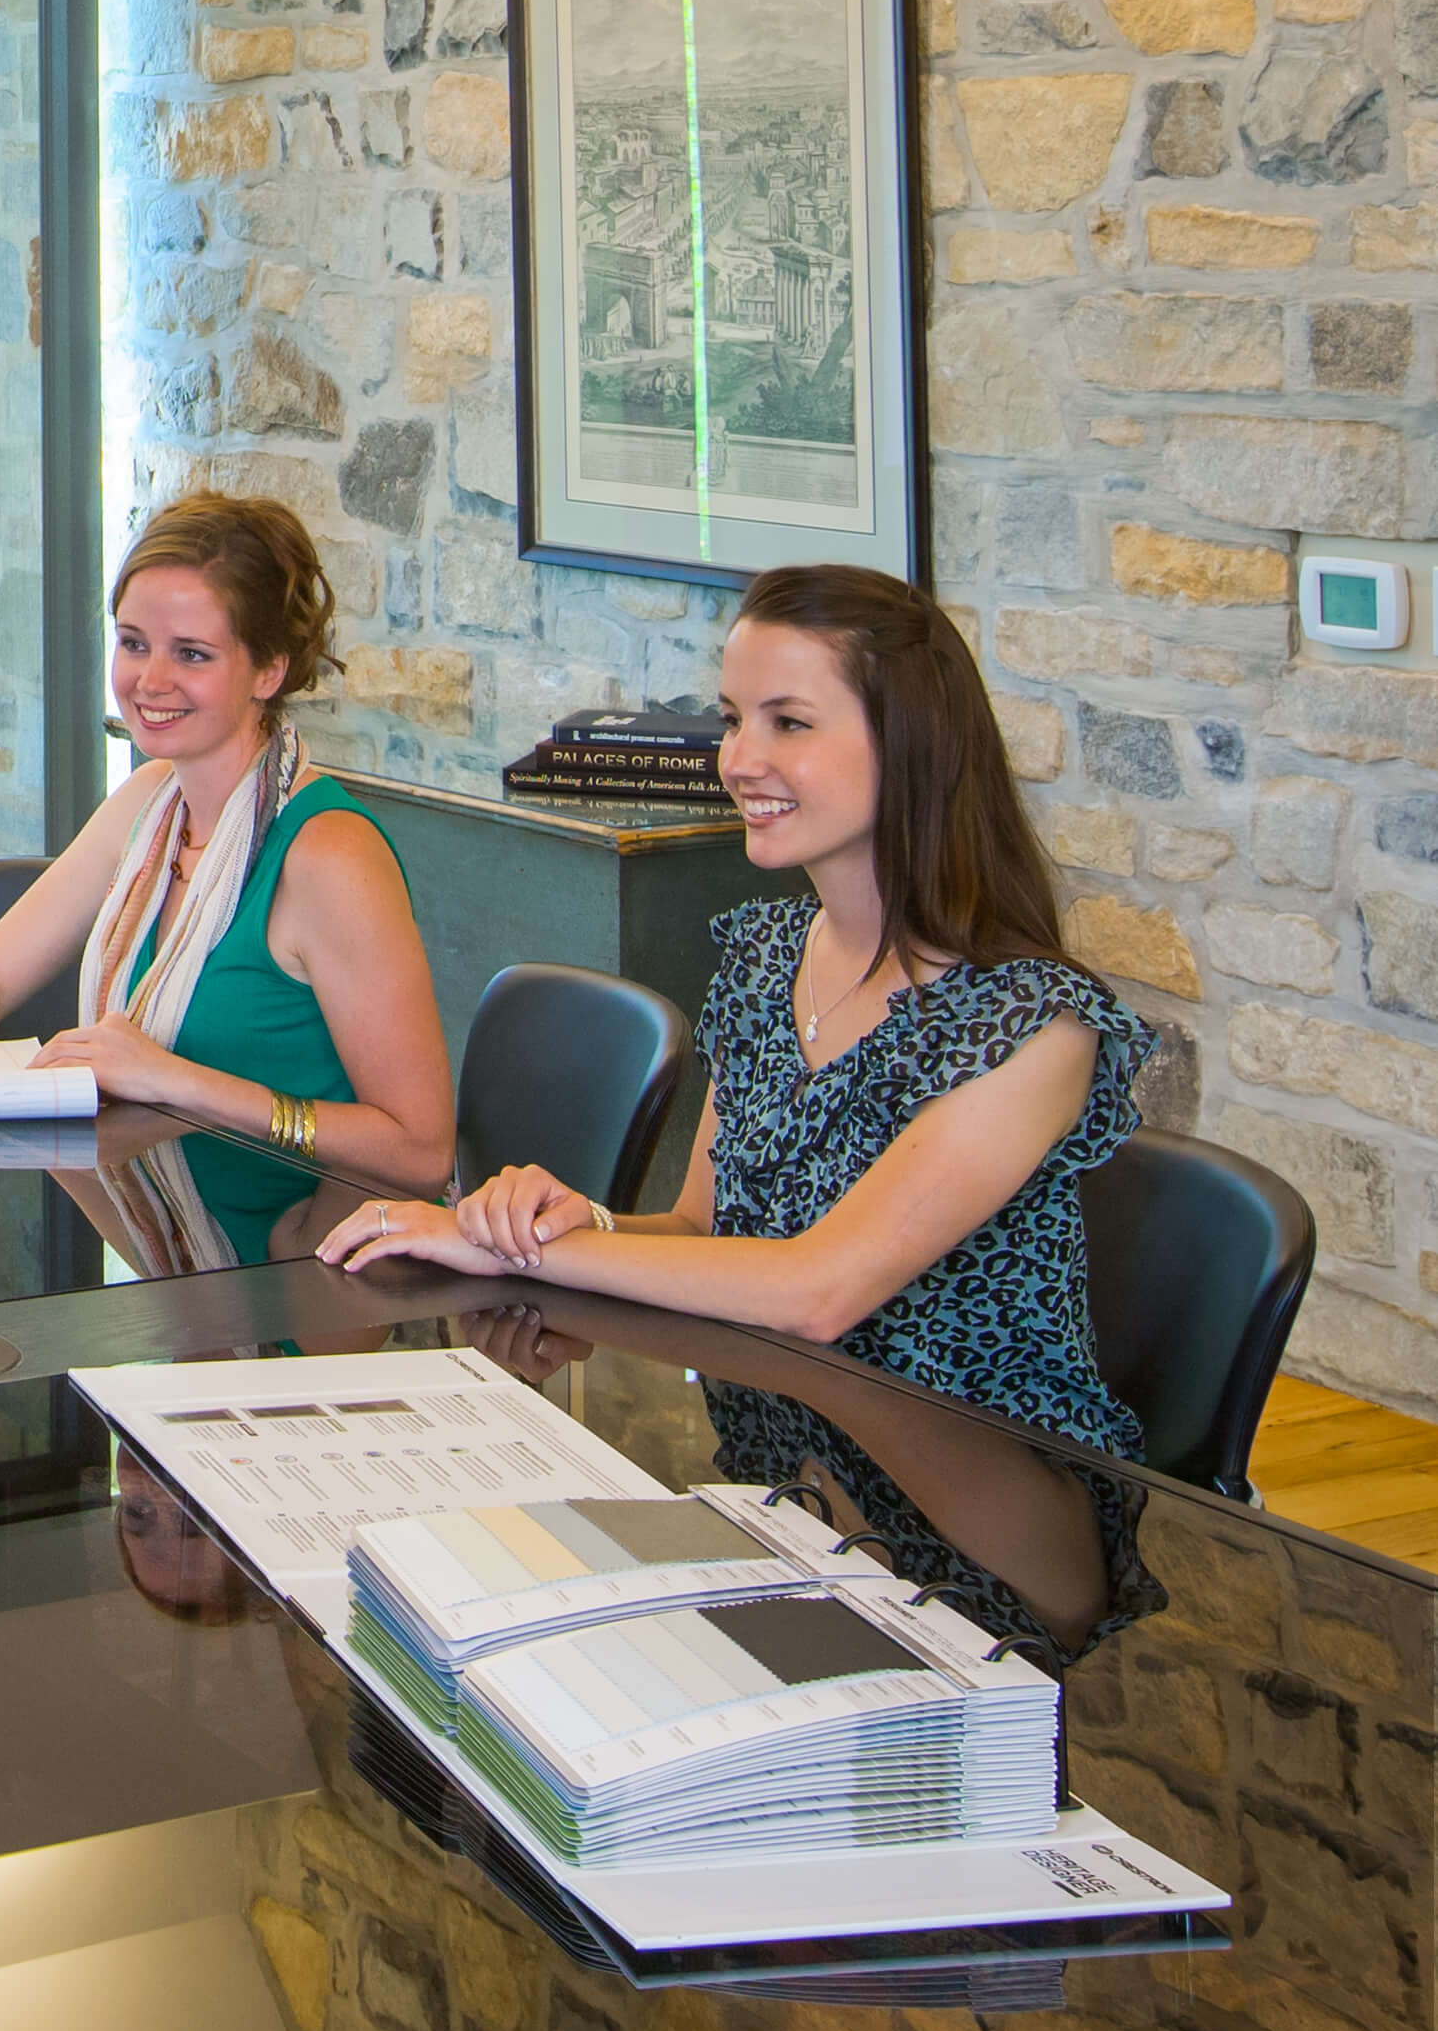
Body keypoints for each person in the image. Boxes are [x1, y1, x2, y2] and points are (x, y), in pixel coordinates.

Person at [317, 562, 1154, 1469]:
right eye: (731, 719)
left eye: (788, 722)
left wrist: (511, 1256)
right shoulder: (766, 956)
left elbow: (818, 1291)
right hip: (788, 1448)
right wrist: (554, 1222)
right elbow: (697, 1232)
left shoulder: (1031, 1021)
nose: (739, 759)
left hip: (985, 1489)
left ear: (910, 742)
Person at [0, 490, 453, 1199]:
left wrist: (179, 1083)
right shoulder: (149, 801)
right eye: (133, 643)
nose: (150, 681)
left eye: (192, 653)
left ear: (268, 669)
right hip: (168, 1234)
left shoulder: (331, 855)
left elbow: (421, 1152)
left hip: (306, 1273)